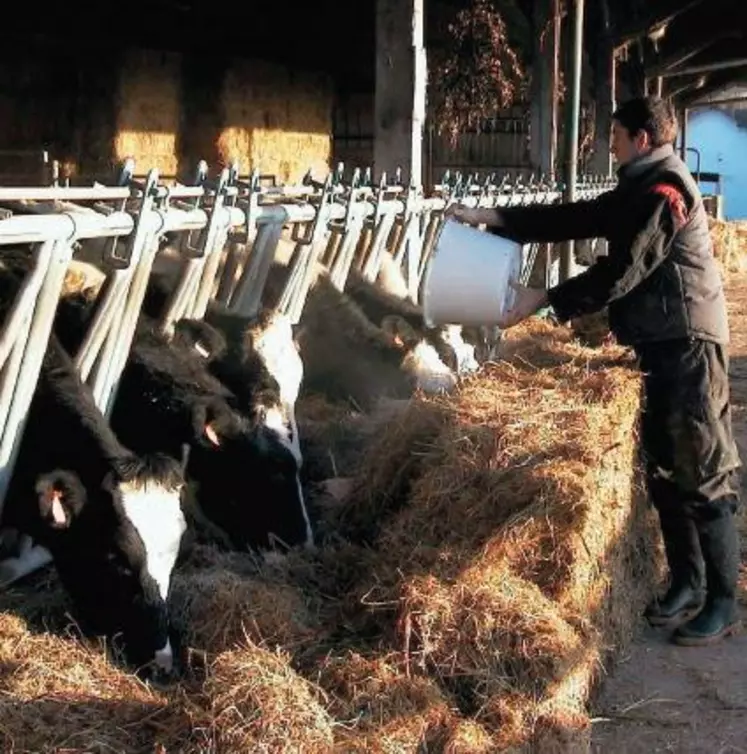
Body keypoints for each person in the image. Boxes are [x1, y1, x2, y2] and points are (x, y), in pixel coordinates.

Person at [447, 96, 742, 646]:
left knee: (702, 467)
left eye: (616, 136)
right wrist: (496, 220)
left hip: (688, 342)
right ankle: (686, 582)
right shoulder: (637, 185)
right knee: (662, 466)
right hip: (657, 341)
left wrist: (545, 301)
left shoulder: (665, 191)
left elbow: (624, 270)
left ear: (643, 139)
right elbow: (579, 215)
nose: (610, 144)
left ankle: (724, 601)